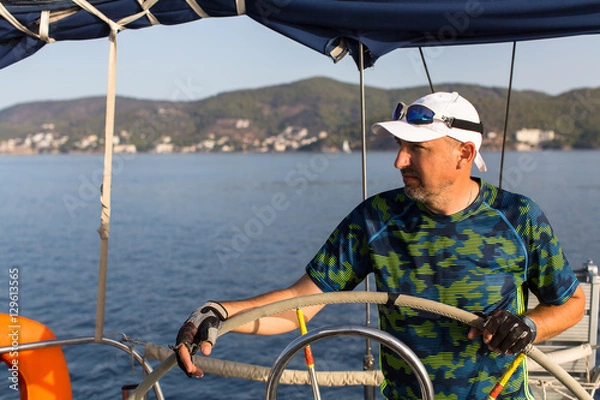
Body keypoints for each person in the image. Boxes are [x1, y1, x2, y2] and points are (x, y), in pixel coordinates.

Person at [174, 91, 585, 399]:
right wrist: (218, 314)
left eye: (416, 149)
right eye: (399, 147)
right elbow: (297, 306)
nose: (399, 161)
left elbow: (572, 305)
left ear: (464, 153)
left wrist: (531, 324)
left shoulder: (518, 218)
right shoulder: (376, 219)